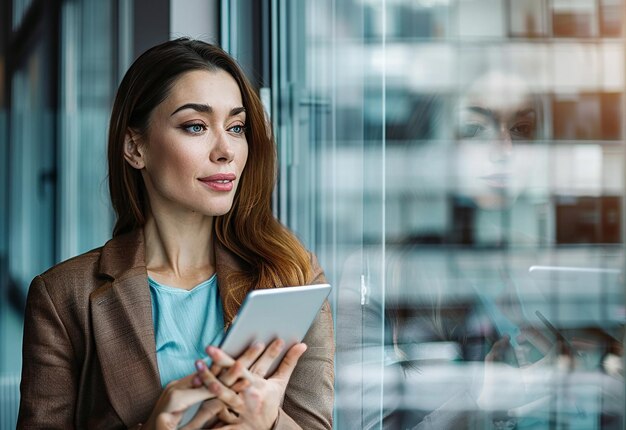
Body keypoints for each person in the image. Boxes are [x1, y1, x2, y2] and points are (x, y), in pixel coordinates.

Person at [17, 38, 334, 430]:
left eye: (236, 127)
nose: (226, 151)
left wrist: (271, 423)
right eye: (196, 126)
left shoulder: (292, 275)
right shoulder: (64, 295)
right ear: (135, 147)